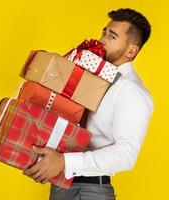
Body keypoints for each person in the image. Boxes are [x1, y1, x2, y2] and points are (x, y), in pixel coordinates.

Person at [23, 8, 154, 200]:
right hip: (61, 183)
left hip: (90, 191)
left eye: (112, 36)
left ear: (131, 50)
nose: (102, 39)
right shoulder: (92, 77)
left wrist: (64, 162)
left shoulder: (132, 92)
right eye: (104, 32)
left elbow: (127, 154)